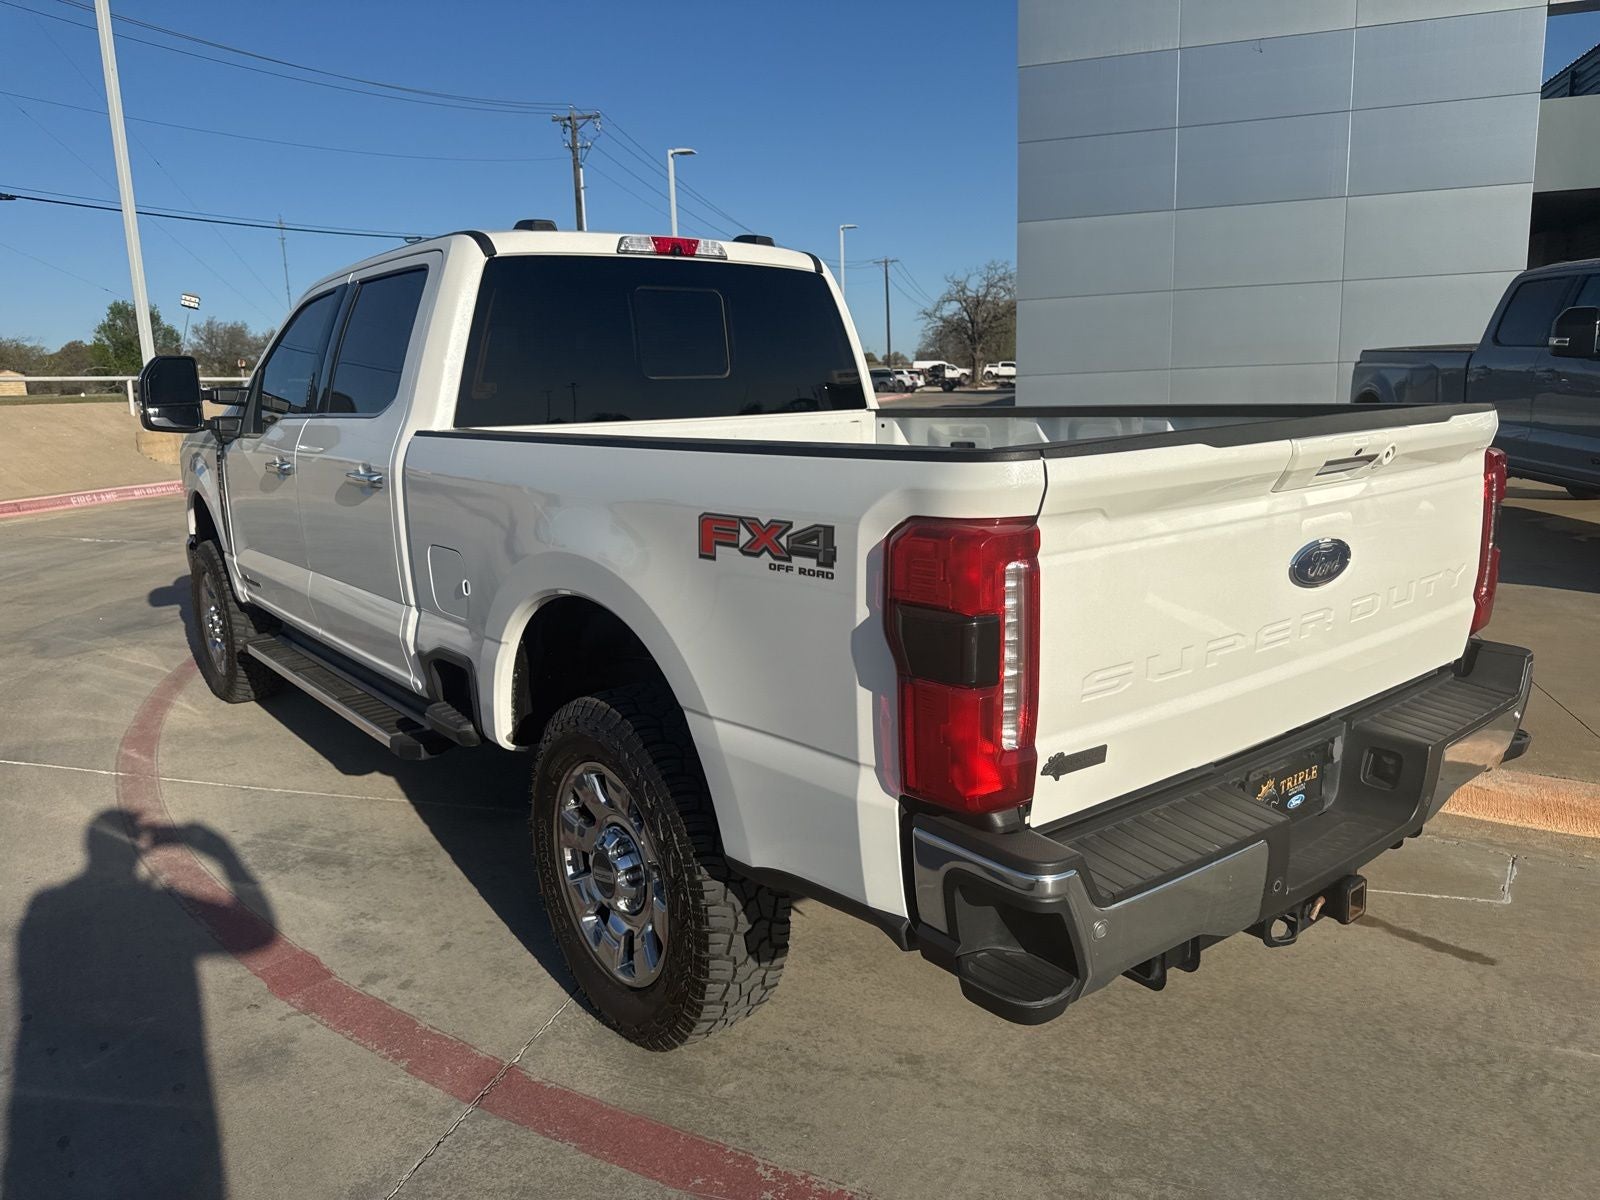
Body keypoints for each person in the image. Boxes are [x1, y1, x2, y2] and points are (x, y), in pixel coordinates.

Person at [4, 810, 274, 1199]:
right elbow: (257, 935)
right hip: (170, 1091)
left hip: (51, 1094)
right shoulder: (158, 906)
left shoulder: (45, 902)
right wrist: (221, 852)